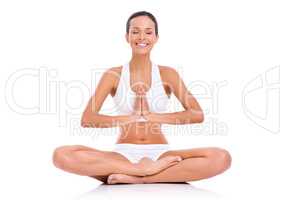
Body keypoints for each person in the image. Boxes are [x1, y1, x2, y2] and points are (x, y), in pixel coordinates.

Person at [52, 11, 231, 184]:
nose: (141, 37)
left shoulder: (168, 74)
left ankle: (140, 178)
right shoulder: (113, 74)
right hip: (122, 154)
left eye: (148, 32)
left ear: (156, 38)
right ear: (127, 37)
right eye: (135, 31)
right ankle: (141, 171)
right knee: (61, 155)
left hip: (161, 154)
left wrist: (153, 117)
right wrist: (131, 118)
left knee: (221, 157)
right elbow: (87, 118)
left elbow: (197, 114)